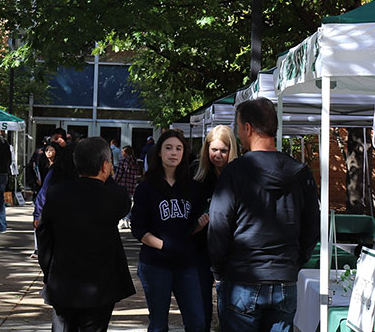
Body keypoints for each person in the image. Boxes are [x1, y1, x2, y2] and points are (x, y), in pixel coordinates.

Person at [209, 98, 320, 332]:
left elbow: (218, 227)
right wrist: (293, 263)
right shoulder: (301, 173)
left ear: (248, 128)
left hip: (242, 278)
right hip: (284, 278)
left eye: (238, 128)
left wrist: (219, 271)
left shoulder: (234, 172)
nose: (238, 134)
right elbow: (312, 228)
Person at [37, 137, 134, 332]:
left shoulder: (57, 193)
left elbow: (44, 235)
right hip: (101, 285)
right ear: (105, 166)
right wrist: (108, 174)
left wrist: (48, 270)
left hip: (63, 281)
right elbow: (122, 205)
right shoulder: (116, 195)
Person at [130, 129, 208, 332]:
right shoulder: (146, 187)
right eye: (168, 148)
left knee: (197, 323)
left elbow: (193, 226)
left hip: (186, 264)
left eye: (178, 148)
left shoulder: (192, 188)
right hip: (156, 264)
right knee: (158, 325)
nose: (173, 152)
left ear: (184, 153)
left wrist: (201, 224)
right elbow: (137, 228)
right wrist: (163, 245)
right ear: (159, 152)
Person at [190, 125, 238, 329]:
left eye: (223, 150)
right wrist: (194, 225)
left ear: (231, 151)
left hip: (230, 249)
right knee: (201, 306)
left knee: (230, 307)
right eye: (213, 150)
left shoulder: (239, 175)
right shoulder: (196, 173)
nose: (217, 155)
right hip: (200, 247)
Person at [115, 145, 139, 229]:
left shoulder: (123, 161)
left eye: (122, 152)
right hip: (131, 185)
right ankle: (127, 220)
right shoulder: (135, 162)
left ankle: (122, 220)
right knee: (129, 203)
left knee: (121, 203)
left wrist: (115, 181)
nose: (121, 154)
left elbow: (118, 174)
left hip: (123, 184)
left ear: (125, 153)